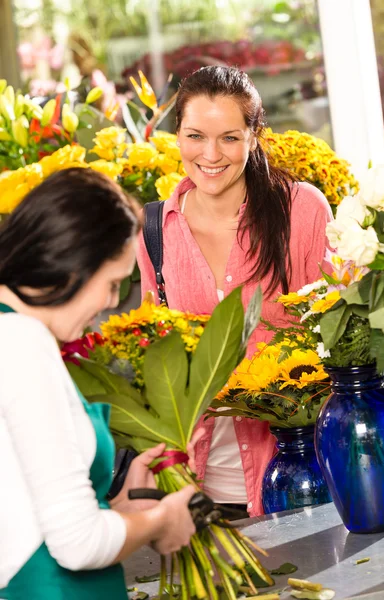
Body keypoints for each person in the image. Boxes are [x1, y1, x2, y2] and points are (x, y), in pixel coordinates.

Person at [136, 66, 333, 518]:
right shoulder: (154, 230)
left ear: (254, 134)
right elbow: (155, 356)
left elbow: (337, 339)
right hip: (200, 488)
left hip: (302, 478)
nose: (210, 154)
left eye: (229, 137)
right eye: (195, 136)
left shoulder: (301, 211)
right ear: (177, 137)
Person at [0, 168, 196, 600]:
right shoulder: (23, 344)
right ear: (72, 263)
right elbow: (77, 545)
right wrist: (163, 519)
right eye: (111, 284)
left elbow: (24, 520)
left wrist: (122, 509)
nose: (111, 302)